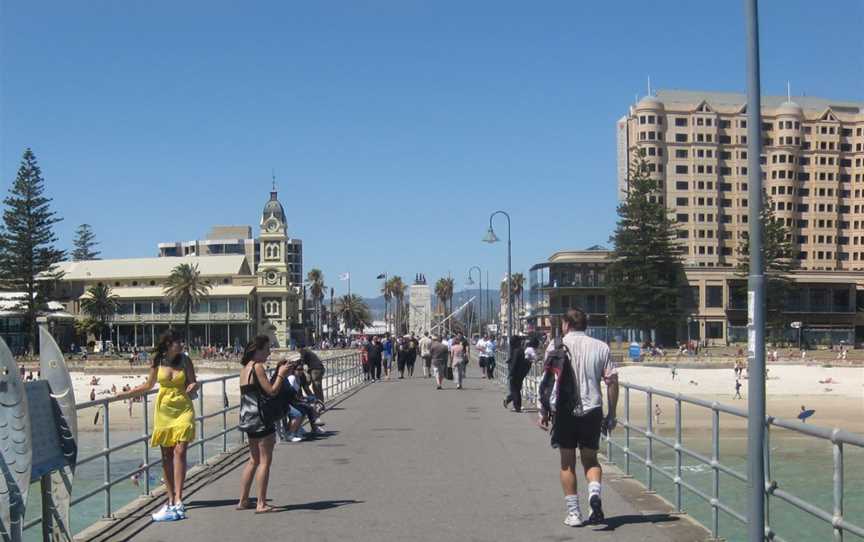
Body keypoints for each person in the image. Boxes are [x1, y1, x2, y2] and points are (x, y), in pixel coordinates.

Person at [538, 309, 619, 527]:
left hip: (564, 410)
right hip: (592, 410)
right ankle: (594, 494)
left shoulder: (555, 346)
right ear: (586, 324)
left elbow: (546, 382)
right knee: (591, 459)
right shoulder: (601, 347)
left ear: (566, 324)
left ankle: (574, 514)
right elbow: (612, 382)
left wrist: (543, 411)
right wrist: (611, 413)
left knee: (567, 463)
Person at [115, 331, 198, 522]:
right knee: (167, 455)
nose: (182, 345)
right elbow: (148, 385)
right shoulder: (157, 361)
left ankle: (178, 497)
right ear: (169, 344)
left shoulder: (185, 361)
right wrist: (126, 394)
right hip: (164, 411)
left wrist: (194, 385)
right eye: (179, 342)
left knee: (180, 451)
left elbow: (193, 381)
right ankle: (170, 497)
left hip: (183, 408)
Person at [237, 335, 291, 513]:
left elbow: (258, 390)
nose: (269, 352)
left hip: (248, 417)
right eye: (267, 349)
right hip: (261, 418)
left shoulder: (245, 368)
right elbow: (272, 391)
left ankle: (243, 500)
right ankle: (261, 503)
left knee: (253, 460)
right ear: (257, 350)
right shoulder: (258, 367)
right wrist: (282, 375)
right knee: (264, 461)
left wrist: (276, 371)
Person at [503, 336, 529, 412]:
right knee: (517, 390)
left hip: (515, 373)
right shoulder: (520, 350)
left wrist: (510, 373)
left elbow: (514, 363)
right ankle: (514, 404)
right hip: (520, 373)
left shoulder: (515, 351)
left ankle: (516, 406)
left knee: (515, 390)